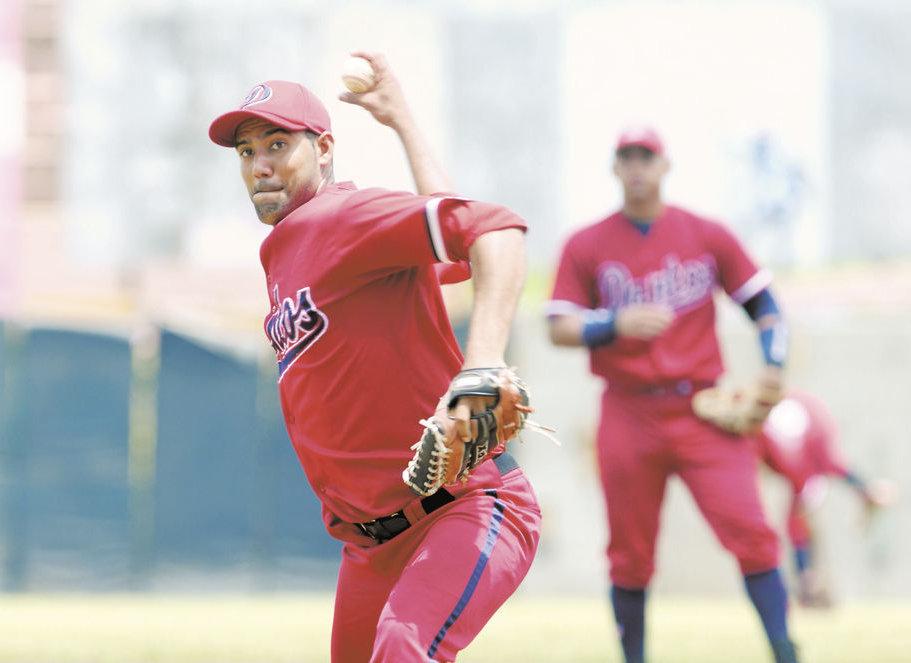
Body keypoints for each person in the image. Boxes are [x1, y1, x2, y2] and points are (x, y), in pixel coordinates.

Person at [208, 52, 542, 663]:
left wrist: (482, 365)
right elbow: (450, 244)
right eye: (247, 151)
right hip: (371, 545)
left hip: (463, 509)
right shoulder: (288, 249)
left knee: (403, 647)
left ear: (323, 149)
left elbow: (493, 230)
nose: (260, 165)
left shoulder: (343, 217)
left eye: (277, 144)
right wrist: (403, 122)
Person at [545, 126, 799, 663]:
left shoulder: (705, 233)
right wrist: (613, 323)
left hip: (702, 407)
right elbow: (558, 326)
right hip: (628, 408)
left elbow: (766, 305)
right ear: (614, 167)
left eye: (647, 156)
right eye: (627, 157)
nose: (637, 166)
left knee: (752, 532)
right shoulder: (586, 243)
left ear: (665, 165)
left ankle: (785, 651)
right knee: (629, 553)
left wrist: (773, 367)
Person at [756, 388, 898, 608]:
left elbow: (829, 462)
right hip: (799, 431)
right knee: (800, 520)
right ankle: (808, 582)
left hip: (803, 441)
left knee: (799, 520)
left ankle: (808, 582)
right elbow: (831, 462)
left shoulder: (803, 461)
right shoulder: (798, 451)